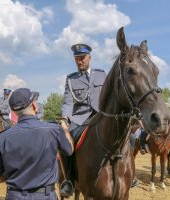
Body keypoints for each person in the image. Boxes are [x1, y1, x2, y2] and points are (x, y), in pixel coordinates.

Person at [0, 88, 74, 200]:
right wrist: (65, 129)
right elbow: (69, 150)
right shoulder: (53, 129)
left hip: (15, 196)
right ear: (34, 105)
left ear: (13, 111)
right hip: (45, 196)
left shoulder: (3, 137)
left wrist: (16, 175)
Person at [60, 43, 107, 196]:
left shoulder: (101, 74)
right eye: (76, 59)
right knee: (66, 144)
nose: (79, 61)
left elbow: (107, 96)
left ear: (89, 58)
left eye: (82, 58)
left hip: (101, 116)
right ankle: (68, 179)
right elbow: (67, 102)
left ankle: (126, 174)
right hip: (80, 119)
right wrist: (64, 119)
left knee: (130, 138)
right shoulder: (71, 79)